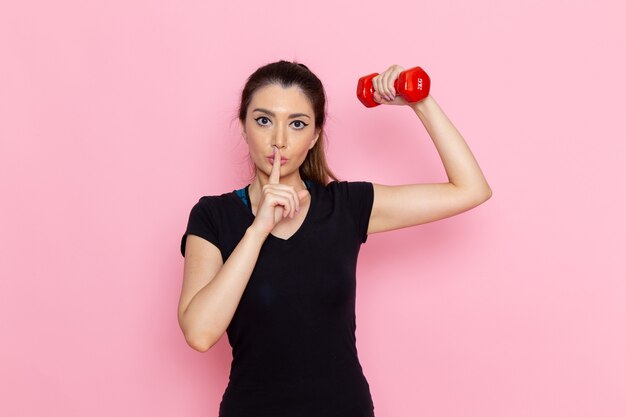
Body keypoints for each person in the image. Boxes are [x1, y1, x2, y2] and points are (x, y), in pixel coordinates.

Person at [178, 60, 492, 417]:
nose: (279, 140)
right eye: (263, 120)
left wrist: (421, 102)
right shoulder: (213, 216)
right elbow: (199, 333)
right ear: (243, 126)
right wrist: (258, 229)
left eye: (297, 124)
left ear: (314, 136)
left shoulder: (345, 206)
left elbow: (471, 189)